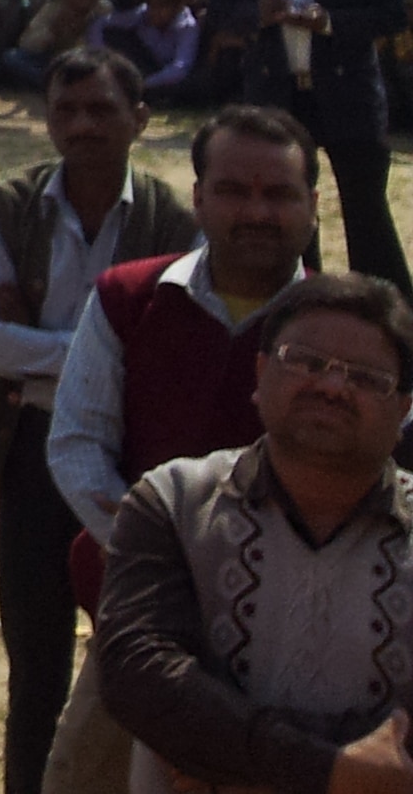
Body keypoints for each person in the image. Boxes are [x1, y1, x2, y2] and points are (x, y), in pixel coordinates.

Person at [40, 104, 322, 794]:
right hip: (144, 619)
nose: (257, 211)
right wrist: (162, 556)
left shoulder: (342, 332)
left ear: (313, 205)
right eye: (233, 191)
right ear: (198, 197)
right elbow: (77, 446)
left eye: (279, 193)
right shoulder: (128, 300)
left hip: (300, 632)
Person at [0, 47, 198, 794]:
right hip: (30, 454)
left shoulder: (175, 218)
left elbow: (175, 349)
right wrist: (111, 344)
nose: (83, 126)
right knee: (36, 669)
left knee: (138, 654)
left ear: (141, 118)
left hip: (135, 458)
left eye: (101, 110)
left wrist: (42, 345)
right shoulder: (10, 203)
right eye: (66, 110)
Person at [95, 273, 413, 794]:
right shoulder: (174, 502)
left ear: (403, 409)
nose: (332, 387)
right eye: (306, 362)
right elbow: (141, 677)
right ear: (261, 372)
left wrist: (225, 757)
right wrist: (330, 772)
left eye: (365, 378)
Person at [208, 0, 412, 293]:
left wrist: (331, 22)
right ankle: (296, 298)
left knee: (367, 212)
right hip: (277, 93)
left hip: (349, 92)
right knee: (286, 213)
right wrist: (254, 16)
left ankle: (388, 311)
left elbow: (392, 14)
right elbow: (220, 12)